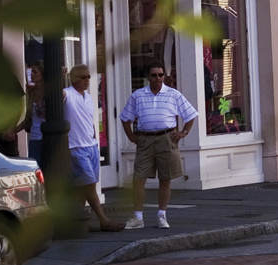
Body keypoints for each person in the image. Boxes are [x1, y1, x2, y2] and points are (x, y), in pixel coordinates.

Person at [119, 64, 198, 230]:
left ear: (164, 76)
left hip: (166, 138)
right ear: (148, 77)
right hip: (145, 139)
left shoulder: (173, 94)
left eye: (160, 75)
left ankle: (162, 215)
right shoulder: (138, 95)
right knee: (138, 178)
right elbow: (125, 118)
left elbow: (190, 115)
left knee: (165, 178)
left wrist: (183, 132)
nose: (157, 78)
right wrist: (132, 137)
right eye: (154, 75)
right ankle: (138, 217)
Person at [64, 65, 122, 231]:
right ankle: (103, 220)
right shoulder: (68, 94)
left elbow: (89, 120)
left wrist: (95, 138)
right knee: (88, 184)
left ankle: (77, 222)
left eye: (88, 77)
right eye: (83, 77)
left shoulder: (88, 97)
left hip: (91, 145)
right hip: (75, 146)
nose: (87, 80)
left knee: (84, 187)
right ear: (74, 78)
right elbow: (57, 96)